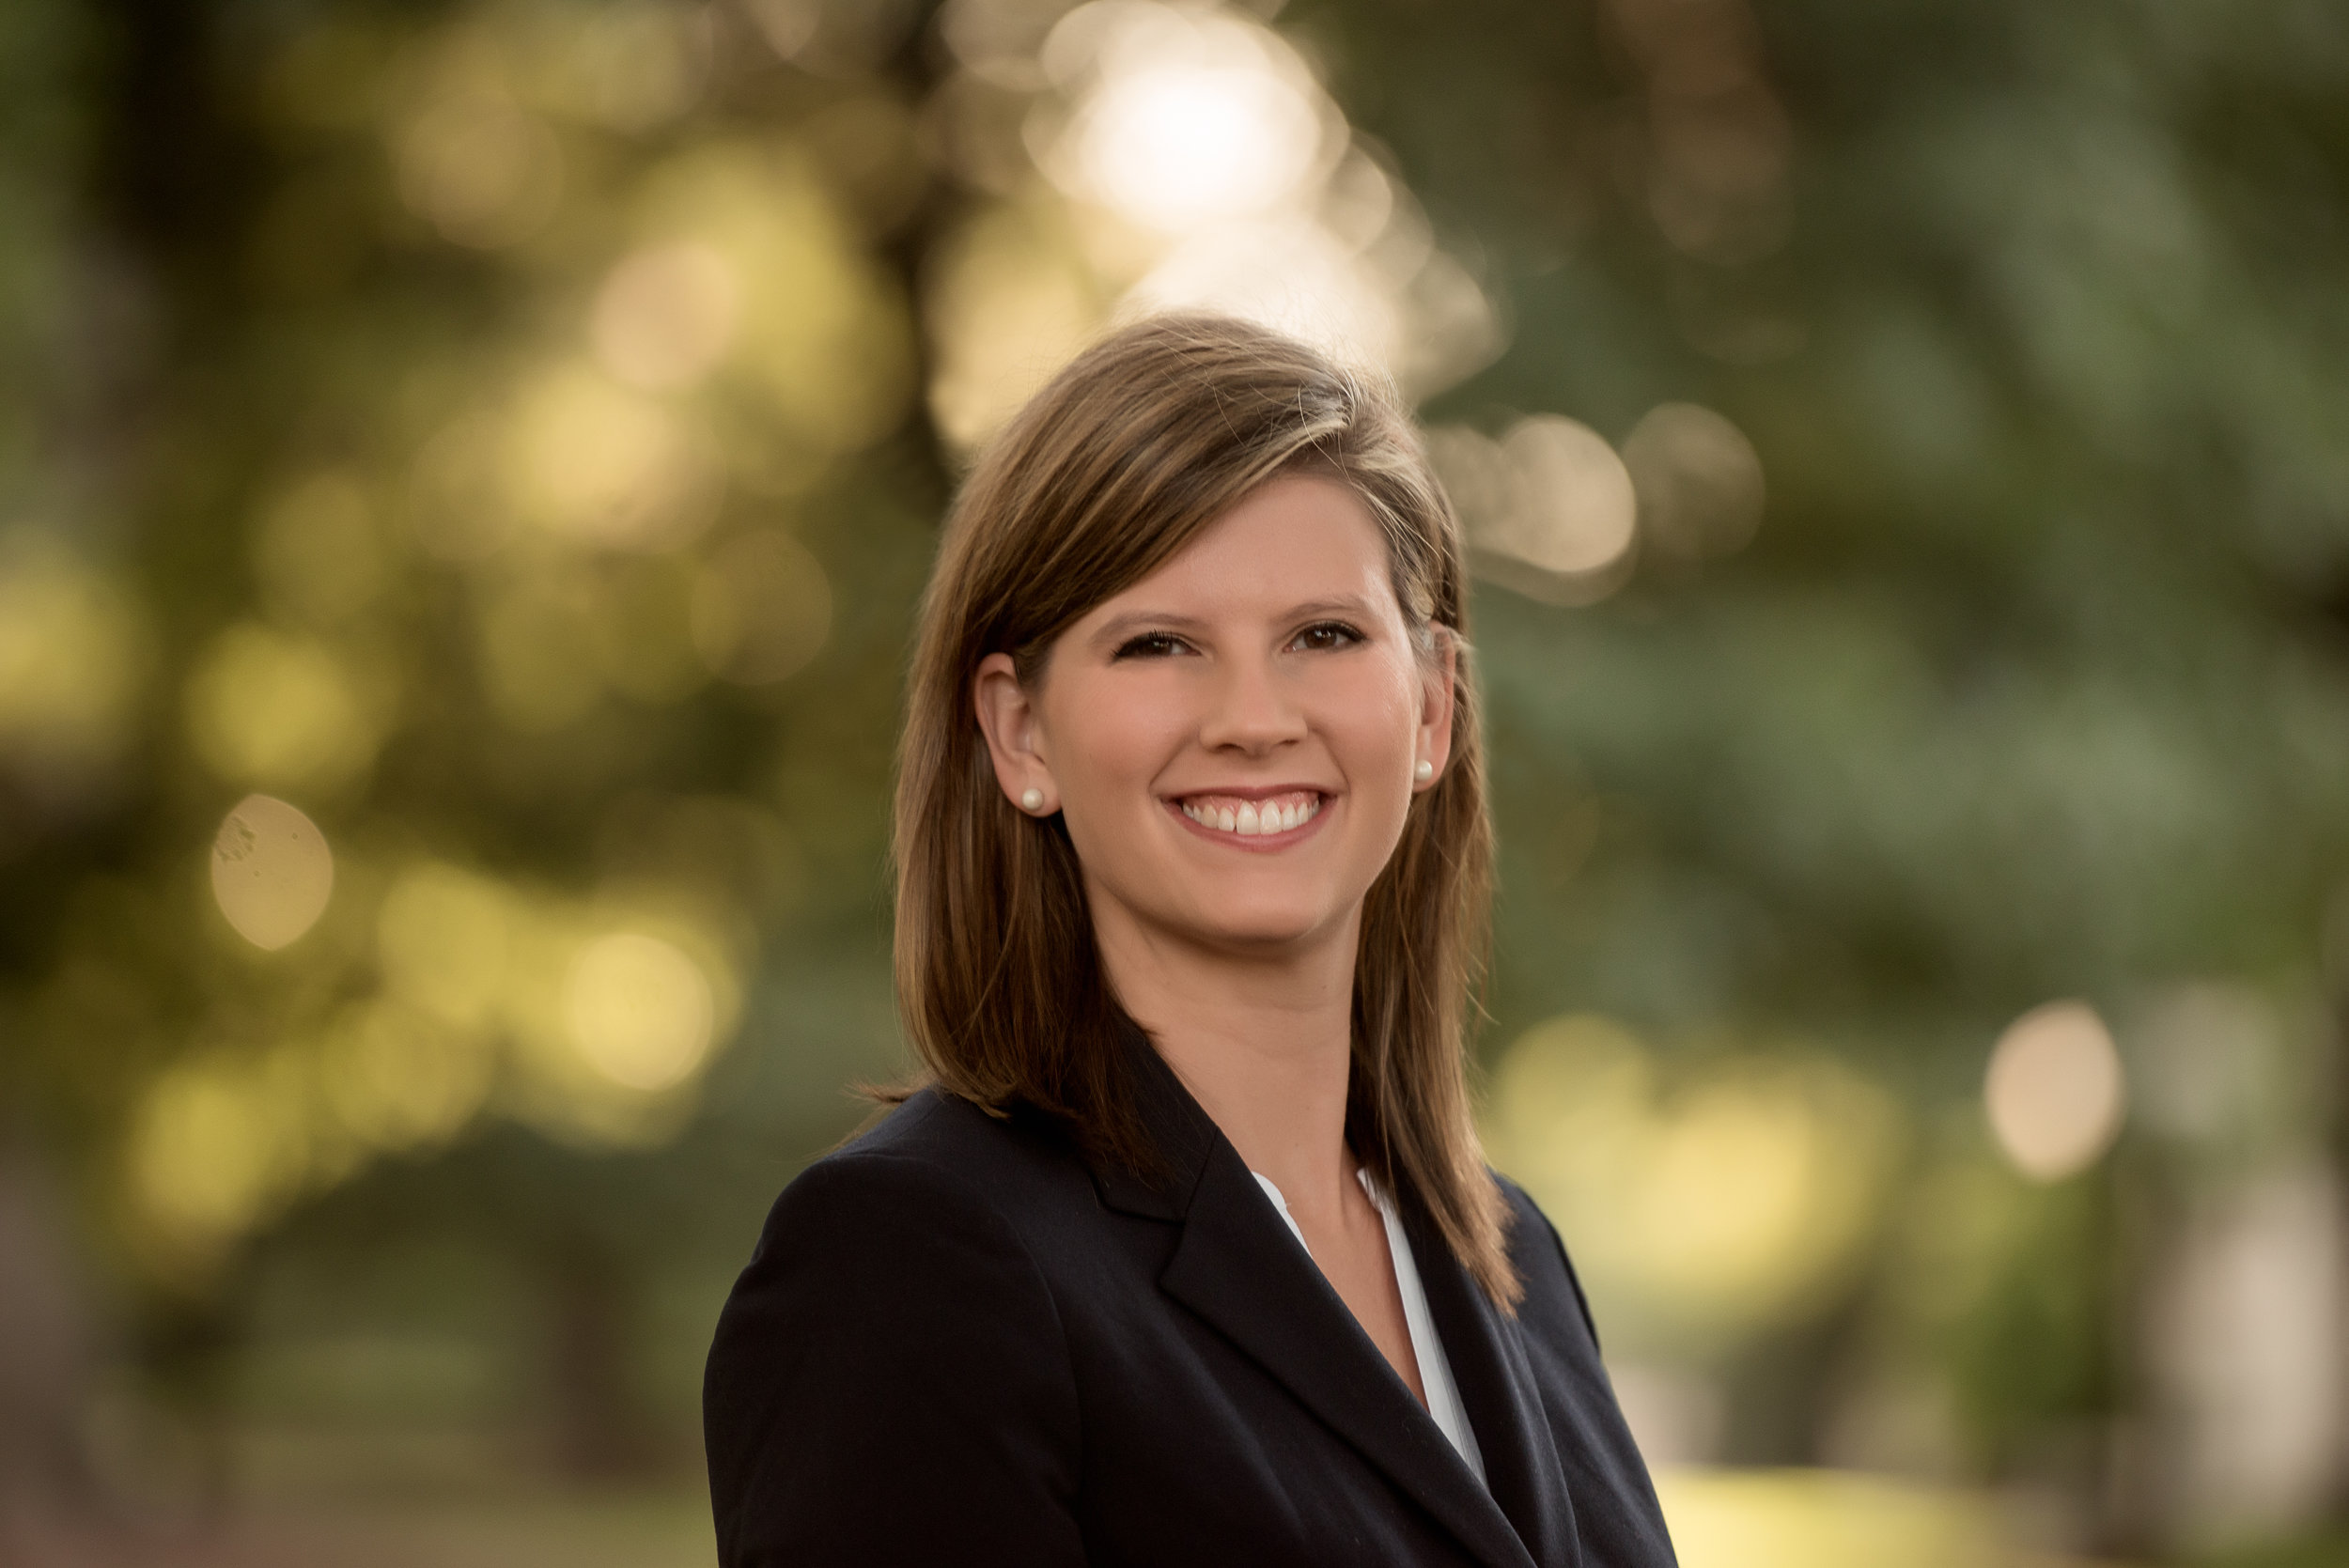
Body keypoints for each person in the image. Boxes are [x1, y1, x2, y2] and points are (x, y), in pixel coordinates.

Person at [703, 313, 1678, 1568]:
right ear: (1021, 733)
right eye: (1159, 644)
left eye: (1323, 636)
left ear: (1433, 705)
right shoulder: (911, 1267)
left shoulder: (1514, 1258)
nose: (1253, 718)